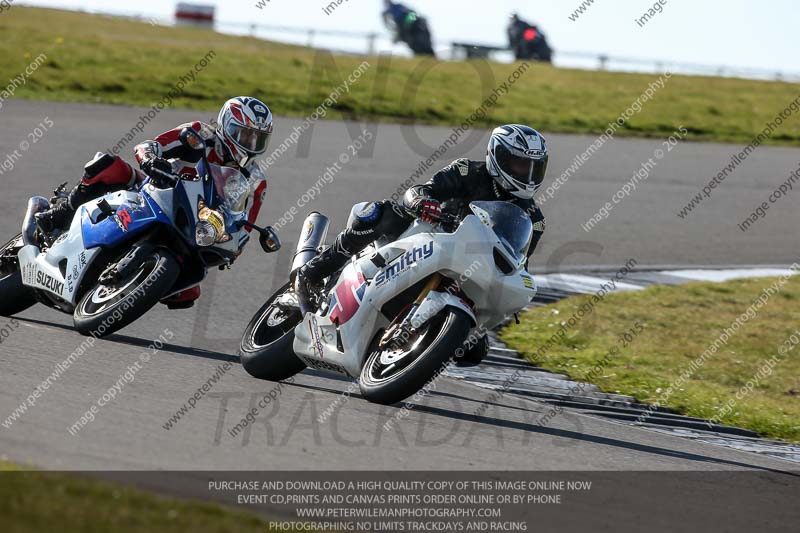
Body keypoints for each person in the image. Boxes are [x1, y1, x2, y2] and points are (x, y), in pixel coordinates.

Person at [296, 124, 548, 365]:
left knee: (474, 349)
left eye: (534, 168)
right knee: (379, 214)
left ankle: (417, 344)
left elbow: (519, 259)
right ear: (498, 157)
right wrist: (422, 201)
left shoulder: (534, 219)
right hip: (428, 234)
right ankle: (317, 270)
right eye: (520, 163)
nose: (527, 174)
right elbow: (422, 189)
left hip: (472, 266)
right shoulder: (467, 171)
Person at [35, 96, 276, 308]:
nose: (249, 143)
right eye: (244, 134)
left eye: (257, 139)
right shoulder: (199, 134)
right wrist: (150, 159)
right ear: (226, 124)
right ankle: (59, 214)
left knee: (187, 293)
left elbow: (245, 221)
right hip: (153, 189)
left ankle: (138, 282)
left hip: (195, 221)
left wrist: (238, 243)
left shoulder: (256, 180)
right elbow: (151, 145)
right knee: (107, 164)